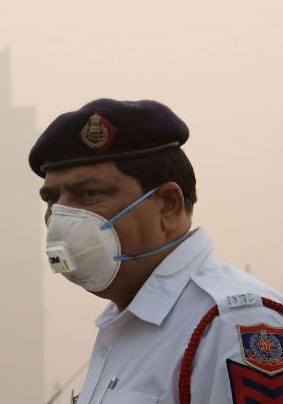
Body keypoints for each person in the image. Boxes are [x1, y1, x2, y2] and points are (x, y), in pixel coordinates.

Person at [28, 98, 283, 404]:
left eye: (89, 194)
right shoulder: (125, 323)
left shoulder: (231, 324)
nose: (61, 216)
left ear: (168, 205)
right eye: (52, 198)